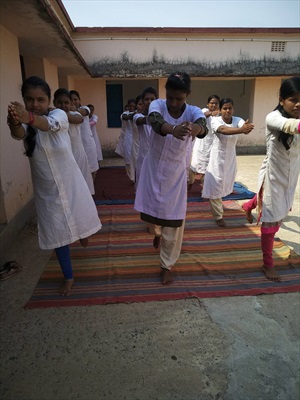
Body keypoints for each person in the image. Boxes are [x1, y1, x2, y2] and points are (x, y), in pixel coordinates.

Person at [7, 76, 102, 296]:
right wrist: (13, 120)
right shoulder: (25, 121)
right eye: (29, 99)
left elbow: (48, 125)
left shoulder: (58, 114)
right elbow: (18, 133)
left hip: (71, 183)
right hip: (47, 190)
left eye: (40, 99)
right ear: (23, 99)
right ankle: (68, 276)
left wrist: (27, 116)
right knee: (58, 233)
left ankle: (82, 233)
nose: (35, 104)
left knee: (80, 217)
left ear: (48, 100)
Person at [134, 72, 207, 285]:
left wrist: (195, 128)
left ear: (188, 95)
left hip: (175, 176)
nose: (174, 103)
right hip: (153, 169)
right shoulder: (158, 104)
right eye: (171, 97)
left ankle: (166, 265)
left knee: (174, 223)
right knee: (152, 216)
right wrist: (173, 130)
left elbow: (203, 127)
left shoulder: (193, 111)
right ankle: (157, 231)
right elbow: (155, 121)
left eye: (179, 99)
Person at [243, 76, 300, 282]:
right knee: (270, 223)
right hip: (273, 178)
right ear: (282, 99)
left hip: (290, 177)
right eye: (294, 99)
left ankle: (248, 206)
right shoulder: (272, 117)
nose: (298, 104)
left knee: (277, 211)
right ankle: (268, 264)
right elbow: (291, 126)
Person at [202, 98, 254, 227]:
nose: (227, 111)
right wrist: (242, 130)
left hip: (230, 158)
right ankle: (218, 216)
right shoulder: (215, 120)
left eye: (230, 108)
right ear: (220, 110)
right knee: (215, 185)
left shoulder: (237, 120)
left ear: (233, 109)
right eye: (225, 108)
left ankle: (221, 208)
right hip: (217, 158)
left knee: (225, 184)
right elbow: (223, 130)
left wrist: (246, 127)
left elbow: (244, 126)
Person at [53, 88, 95, 195]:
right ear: (54, 103)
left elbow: (76, 119)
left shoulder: (76, 114)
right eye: (59, 103)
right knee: (69, 187)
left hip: (77, 153)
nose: (63, 105)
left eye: (66, 102)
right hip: (63, 155)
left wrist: (60, 113)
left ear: (71, 103)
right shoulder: (53, 117)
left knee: (84, 185)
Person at [188, 95, 220, 191]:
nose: (213, 105)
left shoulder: (219, 116)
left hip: (212, 144)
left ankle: (205, 190)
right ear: (208, 104)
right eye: (212, 103)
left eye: (216, 103)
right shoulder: (203, 111)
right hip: (201, 143)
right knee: (194, 165)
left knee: (209, 168)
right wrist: (211, 113)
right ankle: (190, 184)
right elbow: (201, 116)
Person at [69, 90, 99, 180]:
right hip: (75, 146)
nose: (73, 102)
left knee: (93, 169)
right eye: (71, 100)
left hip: (88, 144)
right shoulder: (67, 113)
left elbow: (86, 112)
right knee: (79, 171)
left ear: (79, 100)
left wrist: (75, 109)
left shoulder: (85, 108)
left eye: (75, 99)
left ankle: (90, 191)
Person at [134, 87, 158, 187]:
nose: (149, 102)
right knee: (142, 187)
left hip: (157, 159)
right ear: (142, 102)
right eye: (146, 99)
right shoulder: (137, 116)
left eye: (152, 99)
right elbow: (141, 121)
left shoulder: (162, 117)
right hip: (143, 158)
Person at [121, 98, 136, 182]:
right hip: (128, 137)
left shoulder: (138, 114)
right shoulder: (124, 114)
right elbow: (126, 117)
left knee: (136, 157)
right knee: (128, 157)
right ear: (127, 106)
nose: (132, 108)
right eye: (130, 106)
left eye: (134, 106)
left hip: (137, 138)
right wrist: (135, 114)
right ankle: (131, 176)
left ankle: (135, 176)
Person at [131, 95, 143, 184]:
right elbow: (141, 120)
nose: (142, 106)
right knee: (137, 167)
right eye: (140, 104)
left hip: (152, 150)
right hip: (137, 146)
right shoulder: (136, 116)